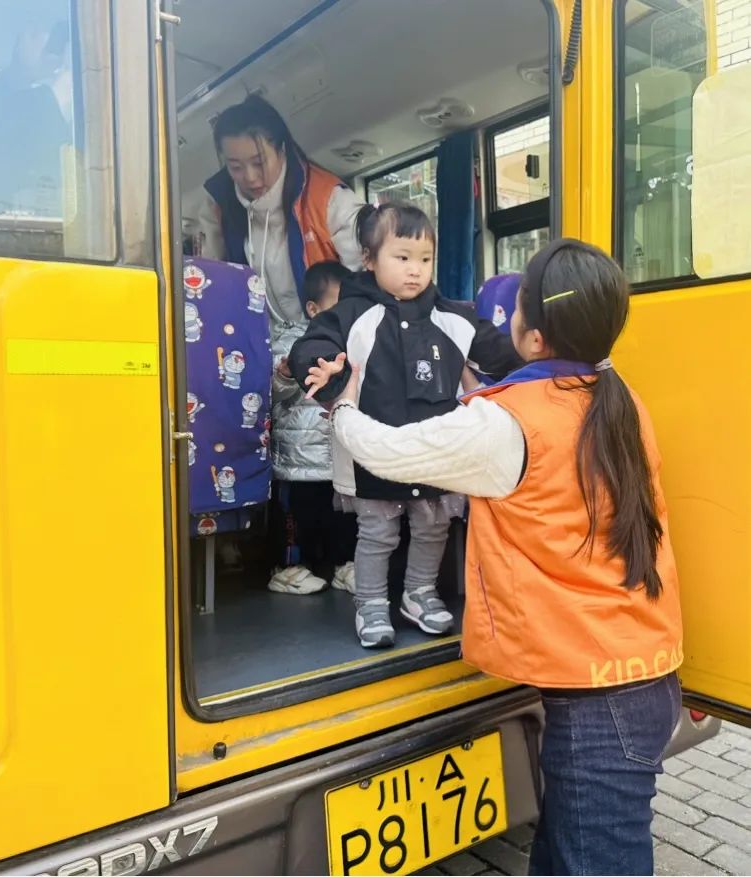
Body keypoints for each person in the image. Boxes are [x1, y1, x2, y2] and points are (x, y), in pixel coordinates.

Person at [326, 238, 683, 875]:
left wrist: (343, 402)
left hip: (598, 697)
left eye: (516, 304)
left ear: (535, 336)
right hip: (638, 670)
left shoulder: (504, 425)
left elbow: (385, 450)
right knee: (566, 852)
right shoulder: (617, 393)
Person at [290, 202, 522, 648]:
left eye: (425, 259)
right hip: (376, 454)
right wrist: (323, 371)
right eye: (402, 258)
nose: (415, 271)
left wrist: (539, 356)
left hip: (438, 454)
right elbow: (316, 343)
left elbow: (497, 351)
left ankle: (419, 593)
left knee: (433, 525)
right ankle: (372, 603)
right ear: (370, 259)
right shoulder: (353, 314)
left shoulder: (452, 315)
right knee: (377, 532)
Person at [198, 93, 363, 331]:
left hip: (329, 344)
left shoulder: (329, 199)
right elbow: (211, 283)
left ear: (281, 149)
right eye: (235, 167)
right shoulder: (218, 207)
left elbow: (366, 285)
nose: (250, 177)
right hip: (260, 348)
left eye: (259, 162)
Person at [268, 261, 357, 595]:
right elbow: (272, 394)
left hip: (338, 454)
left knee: (341, 517)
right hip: (298, 460)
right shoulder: (289, 340)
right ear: (313, 308)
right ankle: (288, 567)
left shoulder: (352, 342)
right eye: (338, 305)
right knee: (297, 518)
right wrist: (286, 374)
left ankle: (343, 565)